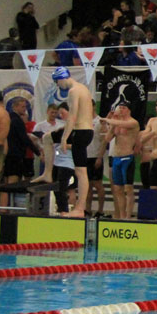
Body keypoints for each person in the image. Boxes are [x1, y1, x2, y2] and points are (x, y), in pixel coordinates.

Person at [53, 68, 95, 218]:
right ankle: (80, 207)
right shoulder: (83, 88)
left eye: (57, 82)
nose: (58, 85)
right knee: (81, 172)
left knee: (80, 172)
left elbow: (72, 116)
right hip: (88, 131)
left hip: (81, 131)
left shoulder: (73, 91)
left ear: (61, 78)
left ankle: (80, 208)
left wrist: (64, 138)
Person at [102, 102, 139, 220]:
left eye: (123, 108)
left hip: (127, 157)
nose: (121, 110)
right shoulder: (116, 124)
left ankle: (128, 216)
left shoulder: (133, 123)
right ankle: (122, 216)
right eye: (120, 108)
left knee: (128, 188)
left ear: (129, 110)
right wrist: (112, 126)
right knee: (118, 189)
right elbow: (107, 138)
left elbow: (123, 124)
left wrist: (109, 120)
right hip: (116, 158)